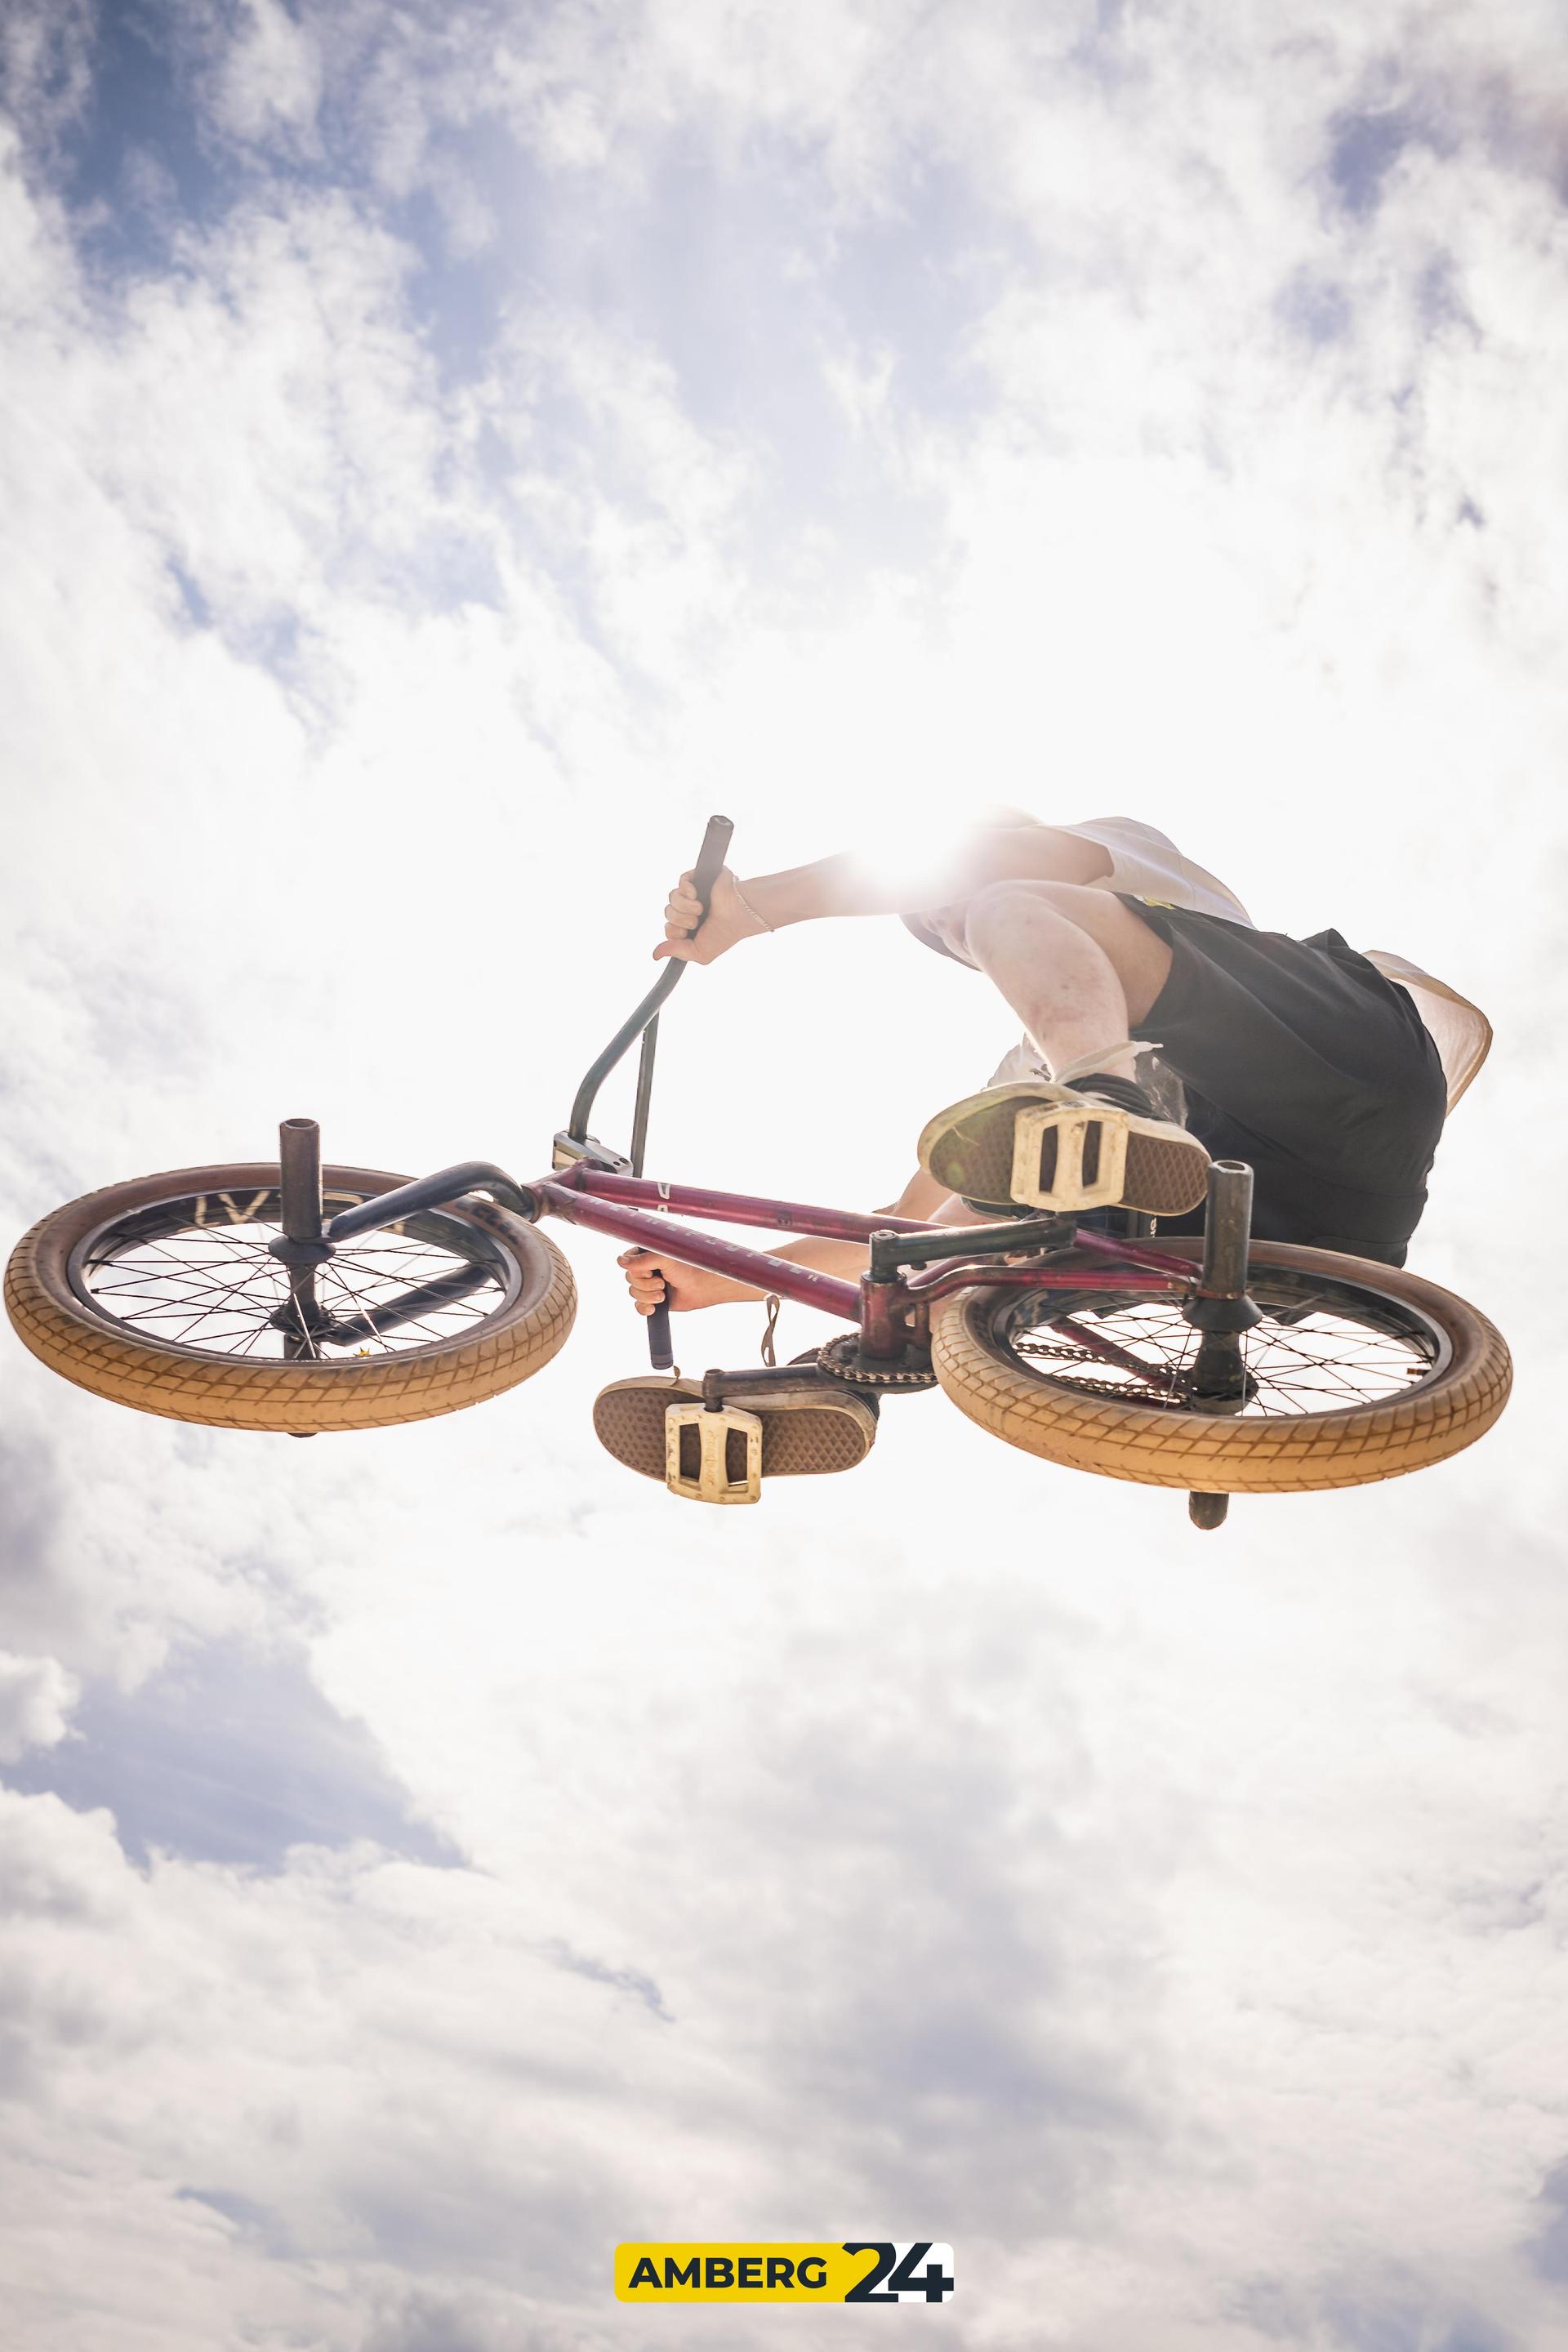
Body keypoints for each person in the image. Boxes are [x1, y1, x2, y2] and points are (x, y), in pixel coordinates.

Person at [617, 814, 1490, 1329]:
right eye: (937, 927)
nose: (949, 923)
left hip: (1345, 1078)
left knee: (1012, 910)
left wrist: (756, 905)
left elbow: (999, 871)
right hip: (1290, 1238)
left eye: (938, 907)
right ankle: (848, 1380)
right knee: (957, 1237)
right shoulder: (1034, 1077)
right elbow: (899, 1225)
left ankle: (1113, 1105)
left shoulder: (1121, 860)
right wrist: (723, 1277)